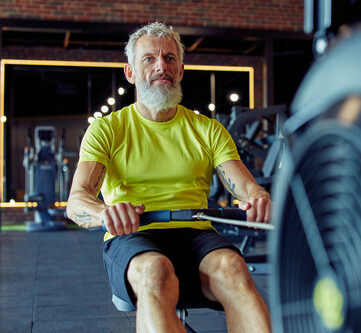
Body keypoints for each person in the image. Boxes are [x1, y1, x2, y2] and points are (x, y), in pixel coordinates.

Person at [66, 22, 272, 333]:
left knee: (234, 268)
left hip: (195, 233)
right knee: (155, 271)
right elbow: (76, 201)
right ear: (130, 72)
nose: (161, 66)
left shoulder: (207, 130)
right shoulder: (108, 129)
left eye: (170, 58)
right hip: (135, 234)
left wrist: (257, 196)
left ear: (181, 70)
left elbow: (244, 185)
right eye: (149, 58)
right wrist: (105, 212)